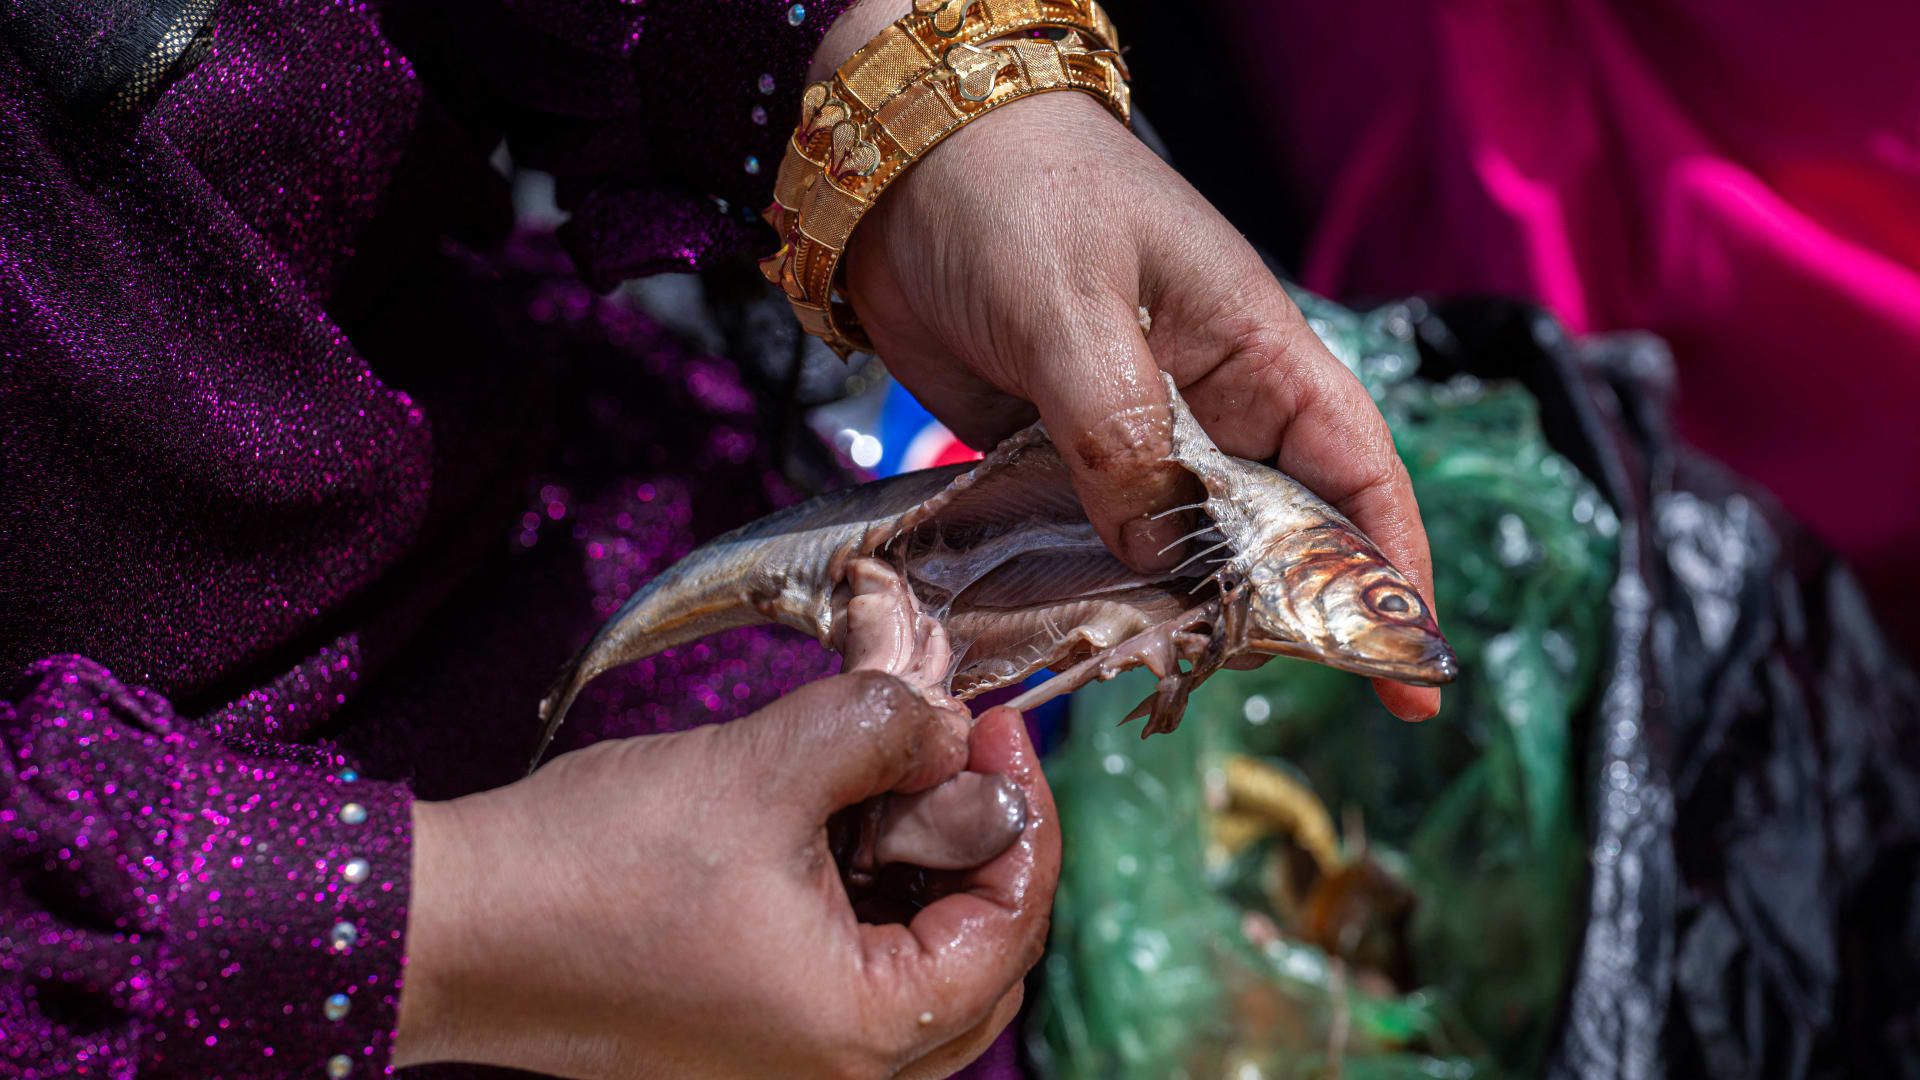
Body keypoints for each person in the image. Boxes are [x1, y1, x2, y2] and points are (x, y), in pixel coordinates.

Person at [0, 0, 1439, 1074]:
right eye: (1375, 610)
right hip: (191, 960)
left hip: (560, 484)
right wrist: (434, 923)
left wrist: (904, 89)